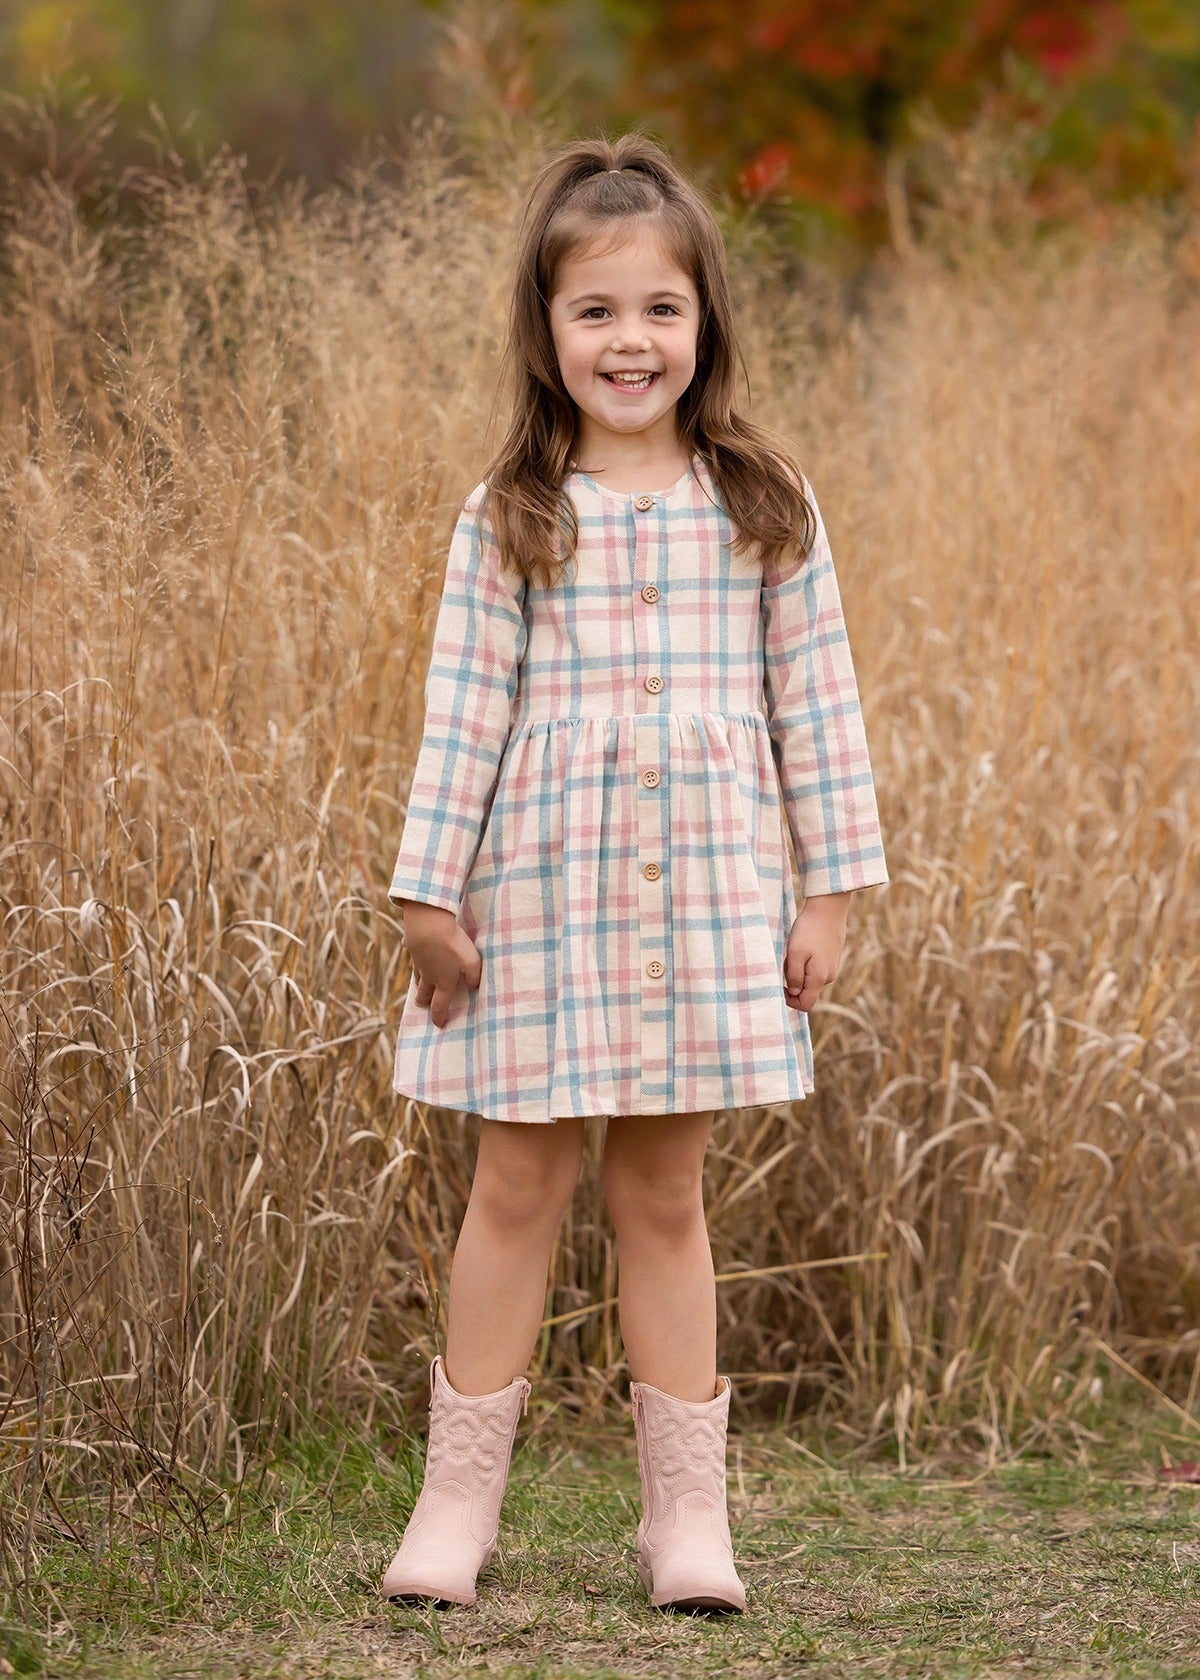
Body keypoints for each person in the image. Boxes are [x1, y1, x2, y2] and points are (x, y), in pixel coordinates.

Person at [379, 132, 889, 1615]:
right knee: (518, 1180)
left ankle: (687, 1522)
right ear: (547, 333)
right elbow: (462, 714)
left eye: (659, 309)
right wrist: (429, 896)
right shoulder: (513, 513)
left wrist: (834, 889)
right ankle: (458, 1501)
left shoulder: (764, 503)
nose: (630, 340)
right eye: (595, 311)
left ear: (704, 322)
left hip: (707, 903)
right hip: (540, 898)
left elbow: (822, 704)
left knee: (665, 1193)